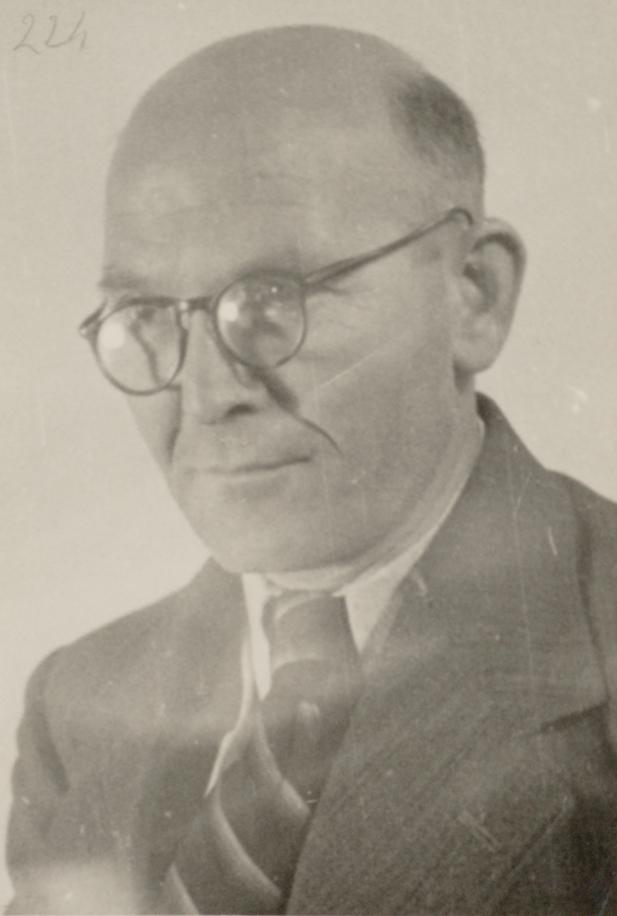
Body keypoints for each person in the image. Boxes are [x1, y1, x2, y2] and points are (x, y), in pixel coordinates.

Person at [6, 23, 617, 915]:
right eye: (144, 312)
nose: (206, 393)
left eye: (273, 299)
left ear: (473, 296)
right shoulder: (77, 703)